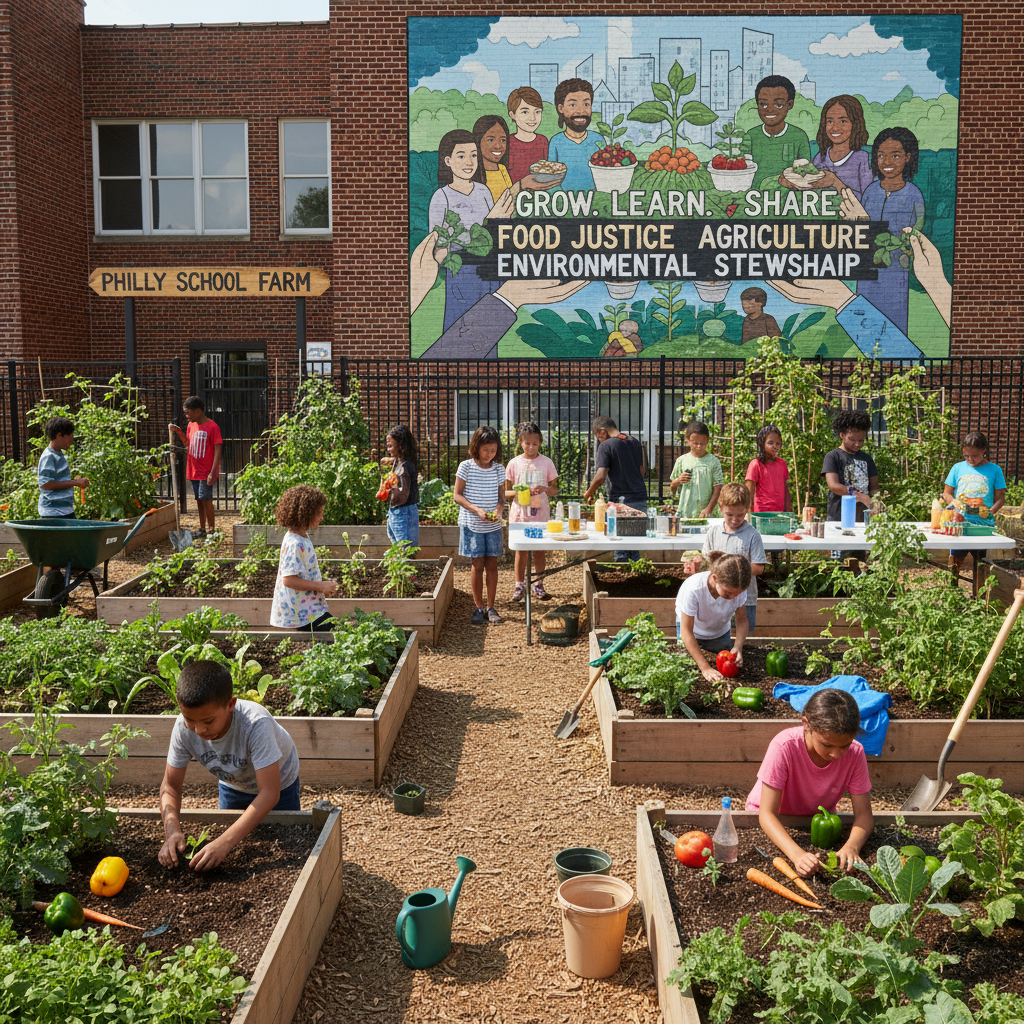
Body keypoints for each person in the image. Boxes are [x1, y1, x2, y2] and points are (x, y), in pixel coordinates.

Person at [158, 660, 301, 871]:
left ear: (231, 704)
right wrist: (172, 831)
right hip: (232, 784)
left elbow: (270, 793)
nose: (198, 730)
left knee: (286, 848)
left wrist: (224, 842)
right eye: (190, 719)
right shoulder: (182, 727)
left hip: (280, 785)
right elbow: (170, 786)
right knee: (236, 846)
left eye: (208, 721)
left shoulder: (254, 724)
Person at [745, 688, 874, 876]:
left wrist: (852, 847)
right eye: (827, 744)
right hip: (773, 822)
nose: (836, 754)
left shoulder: (855, 752)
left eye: (844, 745)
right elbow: (766, 814)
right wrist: (797, 855)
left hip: (816, 821)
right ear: (806, 724)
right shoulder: (784, 746)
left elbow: (865, 816)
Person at [428, 129, 513, 334]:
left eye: (473, 155)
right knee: (461, 331)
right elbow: (436, 250)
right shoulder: (442, 197)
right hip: (462, 275)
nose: (469, 162)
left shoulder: (483, 191)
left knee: (489, 332)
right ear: (448, 161)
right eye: (461, 156)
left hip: (489, 272)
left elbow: (493, 233)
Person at [857, 127, 925, 335]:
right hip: (867, 267)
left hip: (895, 268)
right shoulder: (870, 191)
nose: (887, 162)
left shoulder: (913, 194)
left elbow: (919, 221)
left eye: (895, 155)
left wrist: (910, 236)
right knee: (864, 316)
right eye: (881, 155)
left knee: (893, 318)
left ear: (908, 157)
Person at [696, 483, 766, 634]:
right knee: (718, 636)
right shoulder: (713, 533)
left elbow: (759, 568)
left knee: (742, 636)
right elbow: (706, 562)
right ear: (720, 508)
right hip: (717, 597)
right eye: (729, 514)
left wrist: (735, 569)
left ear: (746, 510)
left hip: (745, 598)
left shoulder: (752, 535)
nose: (735, 519)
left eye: (740, 515)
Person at [453, 425, 505, 624]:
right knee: (477, 565)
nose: (489, 454)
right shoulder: (465, 467)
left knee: (492, 565)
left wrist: (498, 512)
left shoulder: (499, 469)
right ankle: (478, 607)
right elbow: (457, 495)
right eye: (486, 450)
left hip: (492, 526)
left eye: (493, 451)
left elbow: (501, 499)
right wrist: (477, 510)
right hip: (472, 523)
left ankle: (491, 607)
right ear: (476, 446)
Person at [270, 485, 338, 631]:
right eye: (318, 513)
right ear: (304, 514)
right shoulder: (295, 543)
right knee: (332, 635)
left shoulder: (301, 537)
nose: (321, 517)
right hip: (302, 614)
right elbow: (288, 580)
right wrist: (320, 586)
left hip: (307, 609)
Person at [675, 551, 751, 681]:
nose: (733, 598)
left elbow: (742, 620)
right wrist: (705, 668)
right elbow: (686, 631)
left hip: (719, 633)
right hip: (691, 634)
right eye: (728, 593)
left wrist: (738, 647)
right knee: (687, 673)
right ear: (715, 578)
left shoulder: (737, 589)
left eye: (737, 594)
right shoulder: (694, 589)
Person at [505, 421, 558, 603]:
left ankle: (538, 584)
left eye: (535, 444)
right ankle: (519, 585)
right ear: (521, 443)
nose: (531, 447)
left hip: (540, 514)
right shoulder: (514, 463)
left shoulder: (546, 462)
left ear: (540, 443)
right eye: (527, 443)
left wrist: (543, 488)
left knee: (539, 550)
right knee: (521, 551)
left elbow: (554, 490)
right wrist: (520, 492)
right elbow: (506, 492)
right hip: (520, 514)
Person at [583, 415, 647, 562]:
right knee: (634, 546)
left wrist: (589, 492)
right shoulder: (635, 442)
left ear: (602, 432)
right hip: (640, 499)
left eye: (598, 437)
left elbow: (600, 476)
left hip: (620, 502)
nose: (599, 440)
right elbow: (641, 471)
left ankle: (623, 582)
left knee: (620, 547)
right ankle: (637, 578)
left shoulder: (606, 446)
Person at [943, 431, 1006, 573]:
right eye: (966, 455)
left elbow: (1000, 498)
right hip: (960, 523)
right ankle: (951, 591)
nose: (970, 459)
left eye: (975, 455)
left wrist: (990, 512)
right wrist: (954, 502)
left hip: (982, 526)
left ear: (984, 451)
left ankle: (979, 595)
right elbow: (946, 493)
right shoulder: (957, 468)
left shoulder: (995, 470)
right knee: (954, 563)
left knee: (981, 565)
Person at [740, 75, 810, 190]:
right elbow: (743, 169)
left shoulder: (799, 135)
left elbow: (805, 171)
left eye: (778, 105)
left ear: (790, 104)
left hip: (788, 197)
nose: (770, 109)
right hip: (755, 196)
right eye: (763, 104)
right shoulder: (751, 135)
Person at [170, 396, 222, 538]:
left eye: (188, 413)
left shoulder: (212, 426)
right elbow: (188, 443)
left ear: (198, 411)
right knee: (199, 500)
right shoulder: (190, 426)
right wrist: (179, 432)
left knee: (206, 499)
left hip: (206, 471)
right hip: (193, 470)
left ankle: (212, 528)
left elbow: (218, 448)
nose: (186, 416)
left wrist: (213, 471)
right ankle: (202, 528)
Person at [822, 409, 878, 524]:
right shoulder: (833, 457)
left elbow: (874, 487)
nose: (857, 444)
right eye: (852, 439)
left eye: (861, 440)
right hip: (838, 519)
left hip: (863, 520)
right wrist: (858, 495)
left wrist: (876, 503)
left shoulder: (867, 459)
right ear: (842, 435)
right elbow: (834, 485)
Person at [547, 78, 603, 193]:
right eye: (573, 105)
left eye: (586, 104)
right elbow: (551, 181)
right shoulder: (556, 142)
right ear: (561, 108)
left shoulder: (598, 140)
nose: (580, 111)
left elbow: (605, 176)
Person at [669, 422, 723, 519]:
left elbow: (718, 488)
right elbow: (672, 488)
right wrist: (677, 481)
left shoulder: (713, 462)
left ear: (707, 441)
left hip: (708, 513)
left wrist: (709, 509)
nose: (699, 446)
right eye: (695, 443)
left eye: (702, 443)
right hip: (687, 510)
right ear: (688, 441)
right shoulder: (682, 461)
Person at [37, 416, 89, 518]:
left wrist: (76, 482)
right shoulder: (49, 456)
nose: (71, 441)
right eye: (70, 437)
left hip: (63, 510)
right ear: (59, 435)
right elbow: (45, 484)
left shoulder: (58, 454)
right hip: (53, 512)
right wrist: (75, 483)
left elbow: (58, 480)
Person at [384, 425, 420, 549]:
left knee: (405, 549)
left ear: (400, 445)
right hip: (395, 510)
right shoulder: (397, 461)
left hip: (404, 511)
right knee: (398, 548)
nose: (388, 449)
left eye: (390, 446)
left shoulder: (405, 467)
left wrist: (390, 489)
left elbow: (404, 494)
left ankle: (407, 568)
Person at [746, 423, 791, 513]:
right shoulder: (756, 464)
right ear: (762, 444)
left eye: (777, 443)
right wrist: (749, 516)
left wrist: (789, 511)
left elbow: (785, 489)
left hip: (779, 514)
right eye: (770, 443)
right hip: (761, 515)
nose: (775, 446)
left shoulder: (782, 464)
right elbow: (749, 493)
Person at [507, 86, 548, 183]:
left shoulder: (543, 141)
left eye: (537, 112)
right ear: (512, 115)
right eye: (525, 112)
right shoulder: (508, 142)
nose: (532, 118)